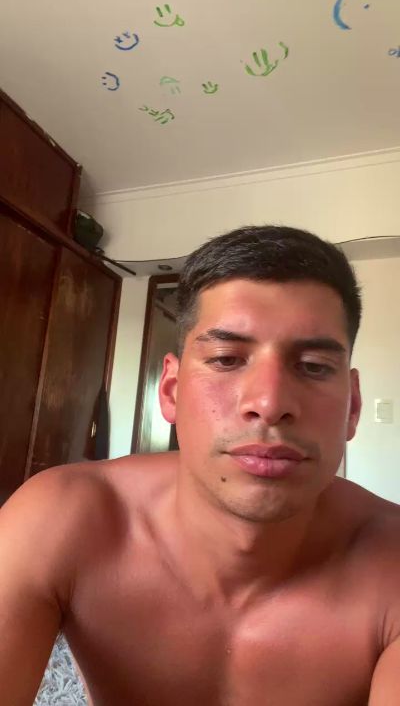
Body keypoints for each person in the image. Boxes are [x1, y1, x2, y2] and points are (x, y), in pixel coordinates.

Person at [1, 224, 399, 706]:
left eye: (314, 366)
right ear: (170, 391)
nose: (269, 403)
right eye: (227, 359)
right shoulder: (61, 517)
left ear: (352, 407)